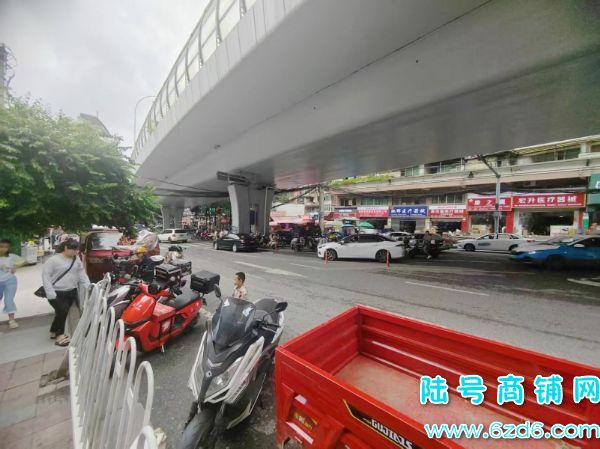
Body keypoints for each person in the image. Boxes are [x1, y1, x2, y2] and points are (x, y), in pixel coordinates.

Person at [42, 238, 90, 346]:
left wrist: (88, 285)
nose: (75, 252)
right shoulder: (53, 260)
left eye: (77, 250)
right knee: (62, 312)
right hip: (57, 292)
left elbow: (81, 273)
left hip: (72, 291)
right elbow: (46, 276)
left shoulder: (76, 259)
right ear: (66, 248)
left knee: (62, 312)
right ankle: (59, 335)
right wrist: (50, 293)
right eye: (73, 249)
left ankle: (53, 331)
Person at [0, 239, 24, 329]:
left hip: (10, 281)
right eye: (1, 247)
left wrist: (15, 267)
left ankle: (12, 320)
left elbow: (24, 261)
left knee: (9, 300)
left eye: (6, 247)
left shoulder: (11, 256)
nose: (3, 249)